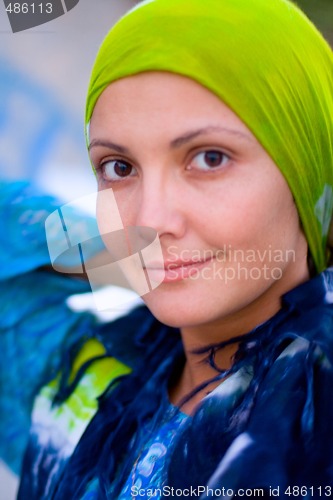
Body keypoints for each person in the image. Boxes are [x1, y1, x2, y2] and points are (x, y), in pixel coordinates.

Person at [2, 0, 333, 498]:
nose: (151, 219)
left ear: (309, 175)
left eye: (209, 158)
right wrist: (110, 257)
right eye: (119, 167)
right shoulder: (88, 381)